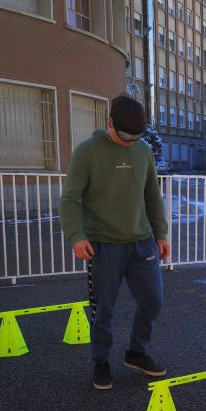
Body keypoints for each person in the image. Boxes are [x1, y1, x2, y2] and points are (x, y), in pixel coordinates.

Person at [59, 95, 171, 390]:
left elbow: (151, 196)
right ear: (110, 123)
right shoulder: (87, 152)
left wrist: (161, 233)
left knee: (153, 299)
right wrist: (76, 236)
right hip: (103, 244)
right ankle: (101, 361)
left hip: (142, 242)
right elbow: (69, 200)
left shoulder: (142, 151)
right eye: (125, 136)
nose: (129, 142)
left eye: (136, 137)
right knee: (103, 309)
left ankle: (136, 352)